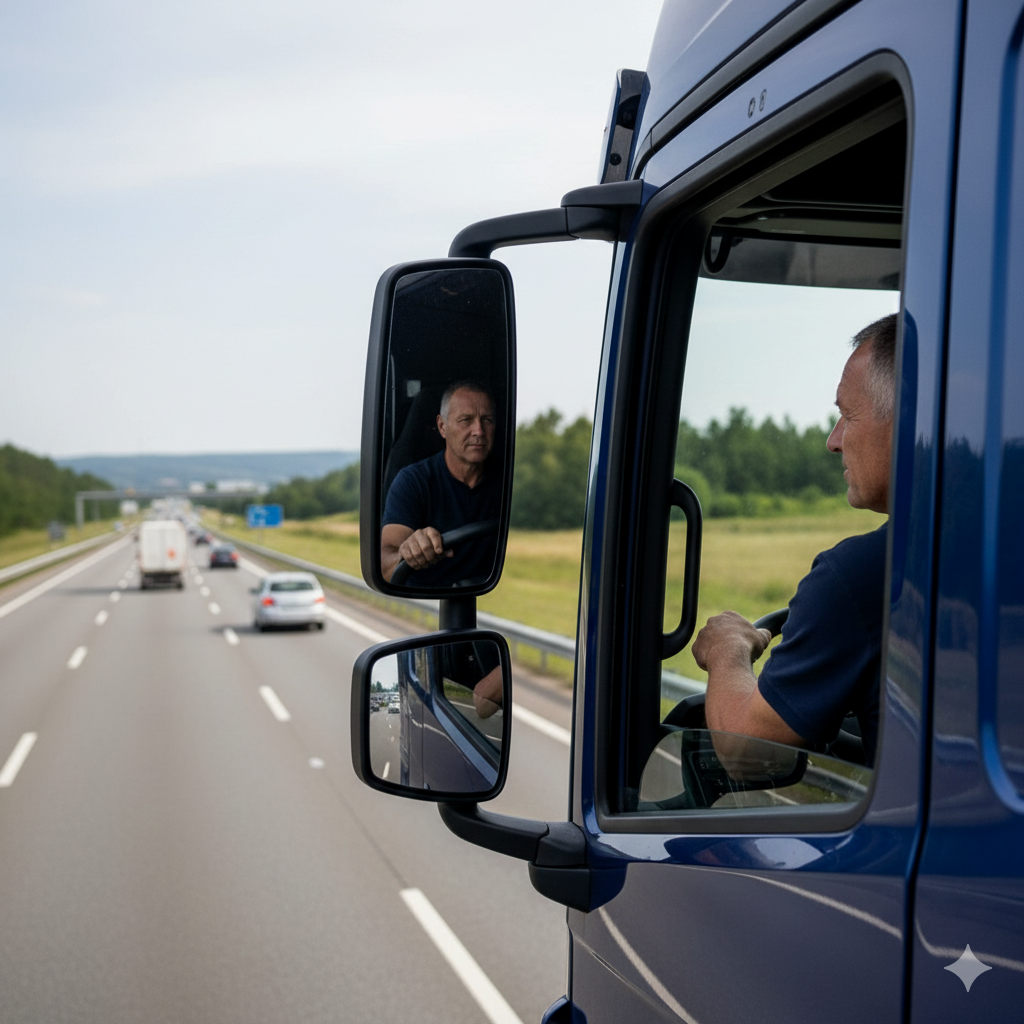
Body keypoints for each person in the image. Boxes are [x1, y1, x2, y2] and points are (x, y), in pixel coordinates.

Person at [692, 313, 897, 767]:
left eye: (847, 415)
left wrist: (728, 649)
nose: (833, 440)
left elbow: (744, 748)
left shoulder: (862, 577)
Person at [381, 381, 502, 587]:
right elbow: (384, 564)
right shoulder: (412, 481)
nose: (479, 431)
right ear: (442, 426)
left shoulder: (506, 484)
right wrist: (408, 551)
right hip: (424, 601)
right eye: (466, 420)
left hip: (488, 599)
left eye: (487, 420)